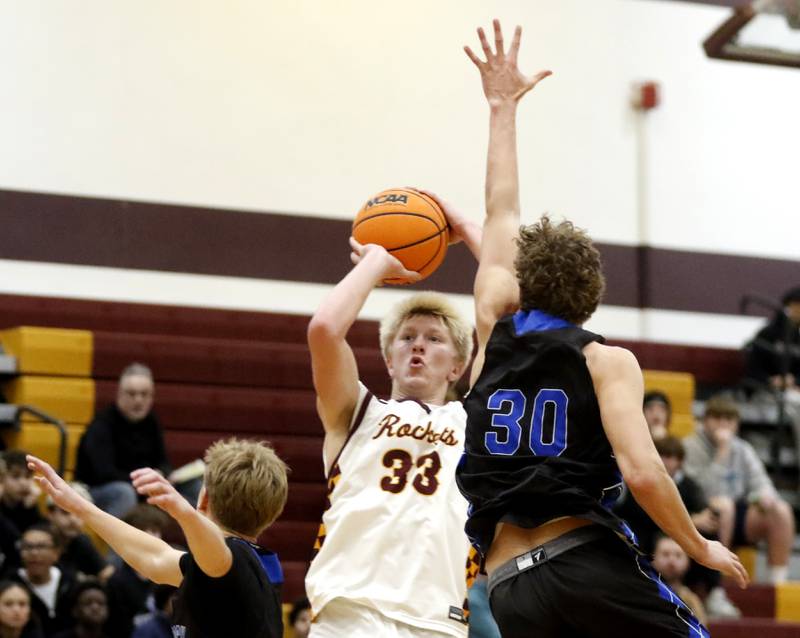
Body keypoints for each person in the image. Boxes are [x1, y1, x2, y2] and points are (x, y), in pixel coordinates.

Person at [455, 20, 747, 638]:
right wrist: (697, 546)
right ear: (591, 298)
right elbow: (643, 473)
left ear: (522, 280)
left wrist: (501, 106)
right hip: (582, 562)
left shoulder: (489, 333)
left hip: (506, 586)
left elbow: (500, 208)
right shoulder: (606, 361)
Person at [304, 191, 481, 636]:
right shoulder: (357, 411)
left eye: (434, 338)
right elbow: (325, 331)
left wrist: (470, 230)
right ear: (388, 359)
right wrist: (376, 263)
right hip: (350, 612)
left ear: (458, 366)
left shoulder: (475, 421)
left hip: (436, 620)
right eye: (406, 337)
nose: (418, 344)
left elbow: (512, 311)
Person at [28, 437, 287, 638]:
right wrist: (81, 508)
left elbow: (220, 558)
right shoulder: (258, 565)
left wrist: (186, 514)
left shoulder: (233, 558)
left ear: (204, 497)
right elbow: (154, 557)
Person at [683, 395, 796, 583]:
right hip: (702, 514)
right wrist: (721, 453)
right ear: (705, 421)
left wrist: (763, 496)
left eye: (728, 420)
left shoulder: (743, 449)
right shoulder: (690, 446)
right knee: (725, 506)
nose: (723, 425)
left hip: (738, 513)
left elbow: (761, 482)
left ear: (736, 424)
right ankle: (717, 583)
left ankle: (777, 583)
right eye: (717, 419)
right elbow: (703, 491)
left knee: (781, 510)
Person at [74, 363, 201, 520]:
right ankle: (118, 544)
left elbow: (163, 461)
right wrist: (145, 481)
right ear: (120, 394)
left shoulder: (151, 422)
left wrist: (162, 473)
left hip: (143, 487)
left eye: (144, 394)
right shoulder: (102, 425)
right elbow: (104, 473)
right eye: (132, 394)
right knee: (124, 492)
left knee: (195, 487)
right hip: (100, 490)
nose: (138, 400)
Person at [743, 286, 800, 467]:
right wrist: (772, 380)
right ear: (789, 306)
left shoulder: (798, 338)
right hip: (765, 392)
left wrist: (793, 381)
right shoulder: (767, 334)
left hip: (792, 394)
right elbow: (752, 370)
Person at [10, 523, 79, 636]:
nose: (34, 553)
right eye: (28, 547)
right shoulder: (11, 584)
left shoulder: (71, 583)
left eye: (41, 546)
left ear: (56, 552)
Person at [45, 491, 113, 583]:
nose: (73, 520)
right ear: (50, 514)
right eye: (65, 512)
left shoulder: (82, 540)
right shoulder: (40, 538)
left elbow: (107, 574)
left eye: (79, 513)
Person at [651, 536, 708, 626]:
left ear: (687, 562)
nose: (671, 561)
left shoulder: (692, 601)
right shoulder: (645, 592)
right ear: (652, 559)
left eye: (678, 555)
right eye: (665, 554)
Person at [0, 452, 43, 536]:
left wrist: (30, 509)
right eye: (15, 476)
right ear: (1, 478)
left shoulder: (30, 505)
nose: (23, 483)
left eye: (28, 476)